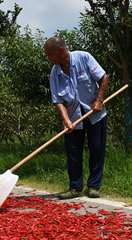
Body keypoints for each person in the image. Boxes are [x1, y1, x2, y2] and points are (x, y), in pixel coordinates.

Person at [44, 36, 109, 199]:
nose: (48, 58)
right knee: (72, 150)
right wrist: (66, 120)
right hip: (73, 116)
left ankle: (93, 186)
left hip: (95, 113)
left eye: (50, 54)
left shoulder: (84, 58)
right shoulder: (55, 73)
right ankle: (75, 188)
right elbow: (58, 100)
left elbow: (104, 77)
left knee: (96, 148)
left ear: (60, 51)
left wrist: (99, 100)